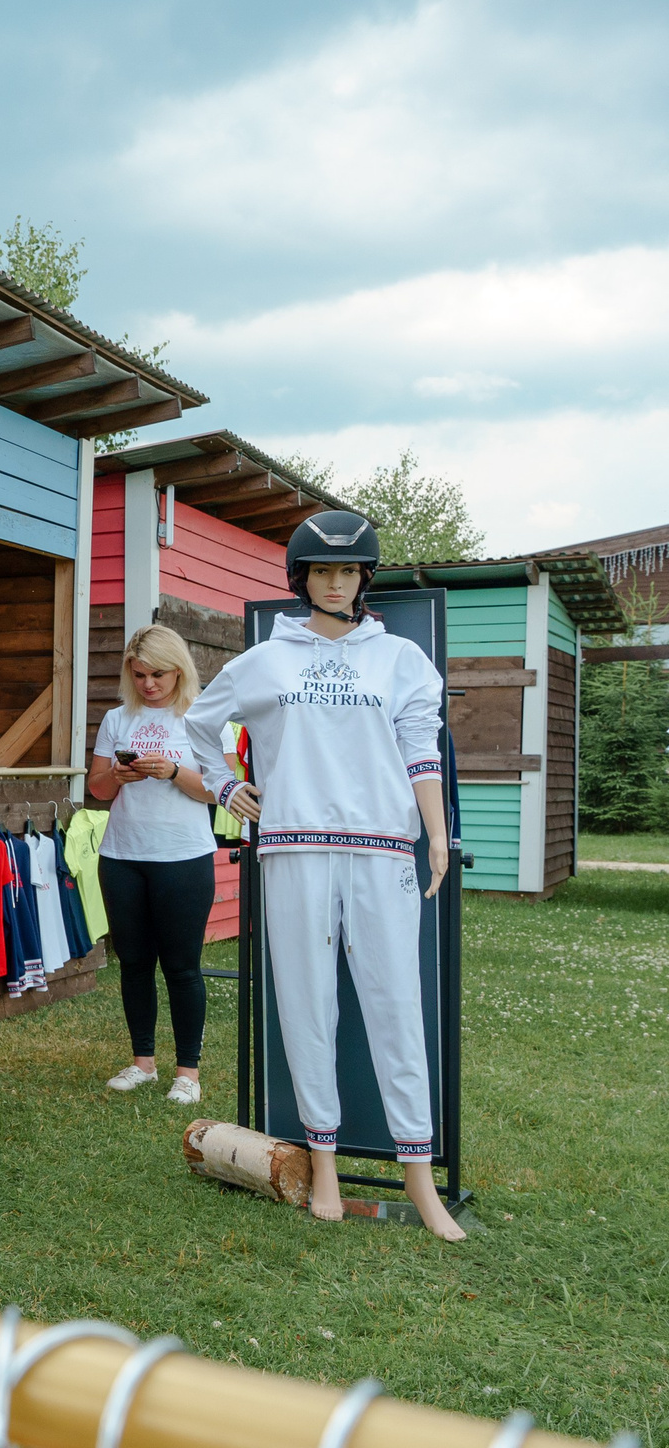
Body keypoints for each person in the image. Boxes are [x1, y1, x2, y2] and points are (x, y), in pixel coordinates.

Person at [185, 510, 464, 1241]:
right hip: (295, 847)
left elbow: (420, 755)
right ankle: (326, 1166)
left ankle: (421, 1179)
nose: (336, 582)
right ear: (300, 579)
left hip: (380, 851)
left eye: (348, 570)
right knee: (306, 1007)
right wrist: (224, 785)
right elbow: (197, 725)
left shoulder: (401, 659)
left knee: (397, 1007)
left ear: (365, 577)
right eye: (322, 571)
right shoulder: (262, 663)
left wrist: (436, 836)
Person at [86, 624, 217, 1107]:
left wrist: (174, 772)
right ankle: (143, 1062)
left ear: (179, 670)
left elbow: (217, 789)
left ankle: (188, 1073)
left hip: (183, 857)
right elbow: (97, 790)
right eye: (138, 675)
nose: (148, 685)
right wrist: (118, 775)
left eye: (158, 674)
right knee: (135, 964)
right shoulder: (118, 719)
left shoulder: (203, 718)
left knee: (182, 968)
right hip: (122, 855)